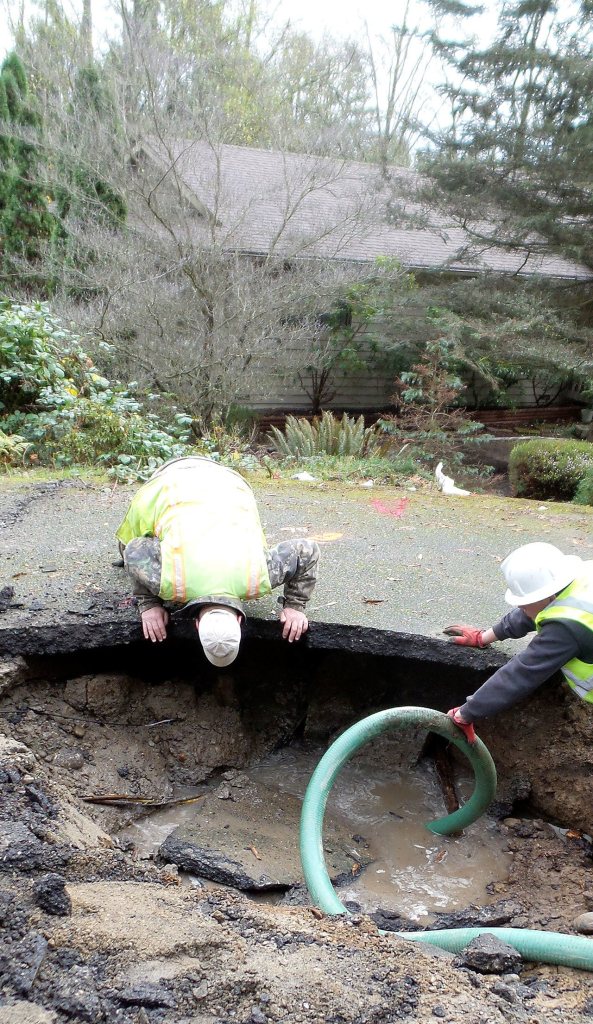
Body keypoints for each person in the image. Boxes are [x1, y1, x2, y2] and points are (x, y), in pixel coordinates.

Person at [116, 456, 319, 667]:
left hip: (230, 485)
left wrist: (295, 606)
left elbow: (306, 550)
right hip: (168, 483)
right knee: (124, 547)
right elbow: (133, 549)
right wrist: (148, 603)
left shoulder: (259, 578)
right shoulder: (170, 583)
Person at [443, 542, 593, 743]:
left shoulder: (567, 629)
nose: (521, 607)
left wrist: (465, 714)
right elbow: (533, 611)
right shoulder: (577, 578)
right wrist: (484, 637)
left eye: (524, 603)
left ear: (548, 595)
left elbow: (521, 674)